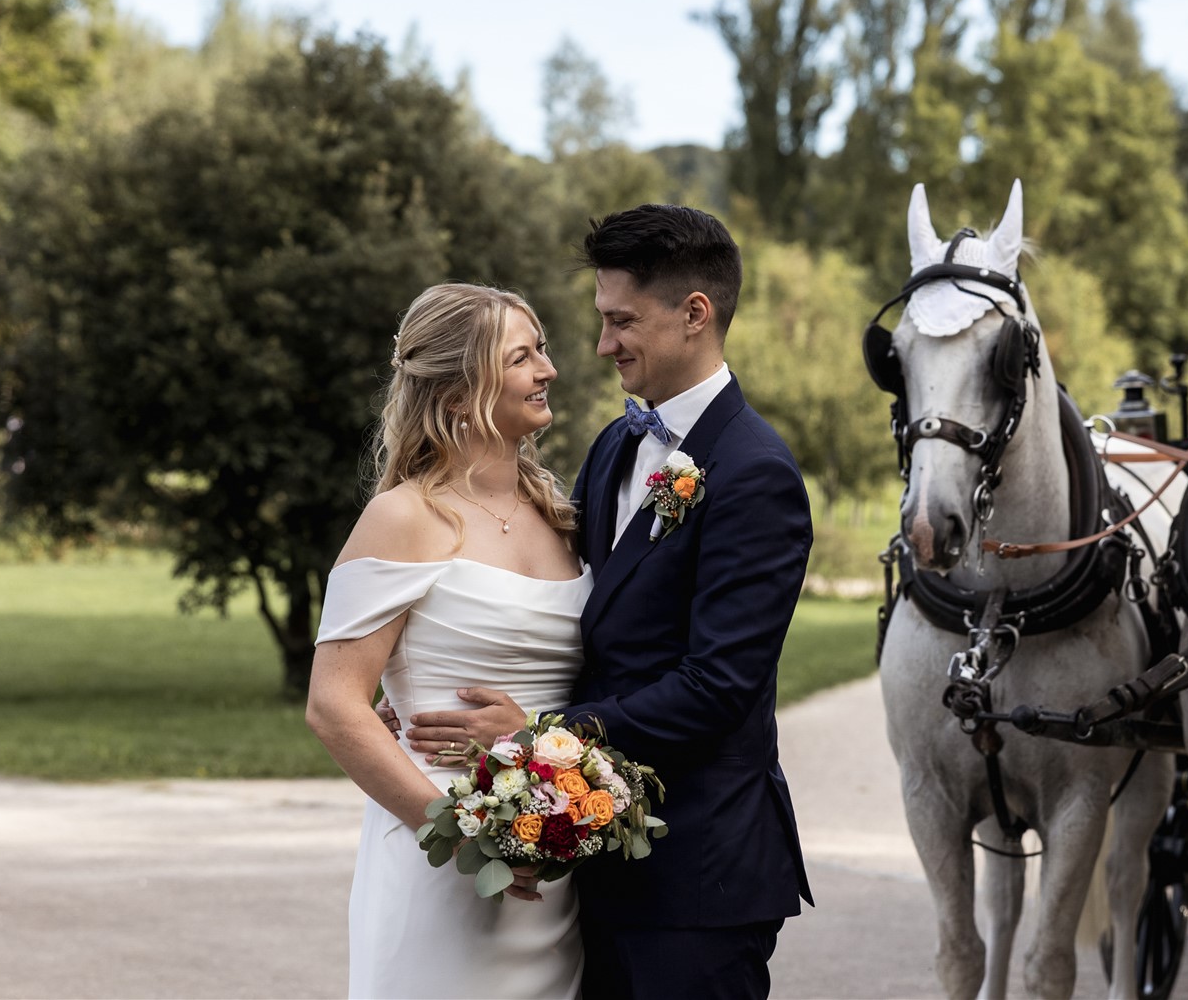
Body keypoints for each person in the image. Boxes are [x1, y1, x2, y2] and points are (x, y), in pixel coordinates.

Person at [403, 205, 814, 1000]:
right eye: (600, 319)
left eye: (621, 320)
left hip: (699, 877)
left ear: (695, 314)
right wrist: (425, 682)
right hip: (594, 862)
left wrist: (539, 735)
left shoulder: (756, 471)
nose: (601, 344)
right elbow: (576, 615)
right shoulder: (615, 444)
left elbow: (717, 685)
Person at [308, 283, 588, 999]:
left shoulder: (562, 516)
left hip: (554, 860)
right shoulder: (401, 517)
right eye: (523, 356)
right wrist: (463, 836)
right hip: (438, 853)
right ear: (462, 393)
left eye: (543, 350)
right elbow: (335, 706)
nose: (548, 370)